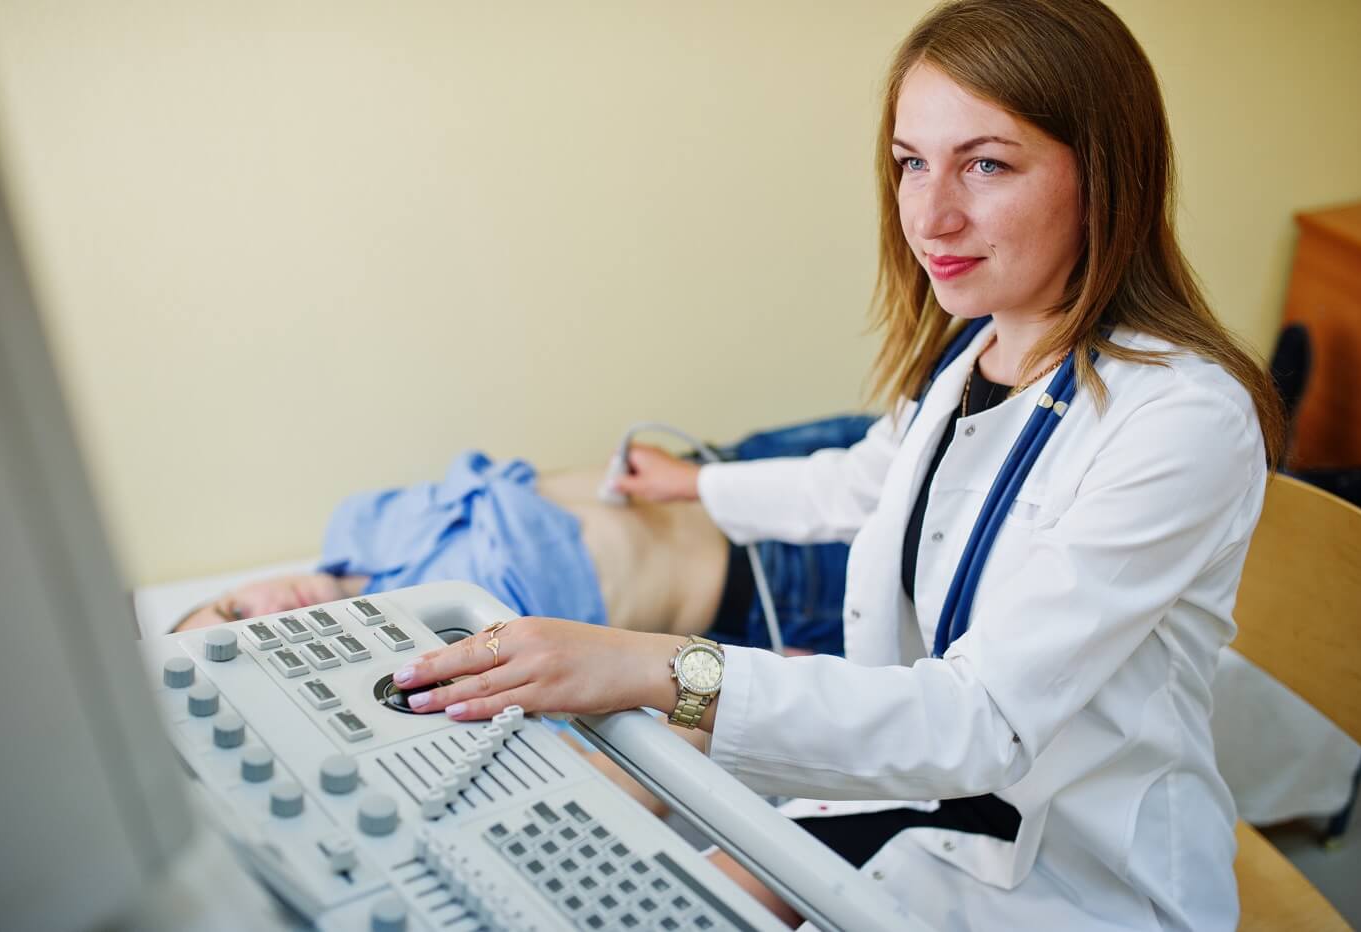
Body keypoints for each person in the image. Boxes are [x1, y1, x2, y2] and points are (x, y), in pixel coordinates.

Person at [386, 1, 1287, 929]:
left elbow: (977, 722)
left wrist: (650, 667)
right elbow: (865, 481)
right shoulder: (977, 350)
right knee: (640, 862)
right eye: (911, 163)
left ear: (1105, 173)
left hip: (1076, 871)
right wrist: (696, 486)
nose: (930, 215)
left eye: (986, 163)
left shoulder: (1181, 419)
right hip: (926, 805)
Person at [173, 416, 873, 653]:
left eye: (238, 608)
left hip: (730, 463)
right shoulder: (433, 646)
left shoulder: (360, 521)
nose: (271, 611)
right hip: (772, 578)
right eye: (260, 636)